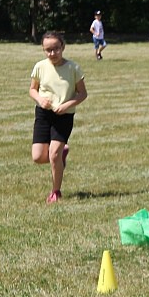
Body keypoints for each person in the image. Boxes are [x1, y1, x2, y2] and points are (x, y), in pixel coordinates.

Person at [29, 31, 87, 204]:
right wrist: (40, 99)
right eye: (48, 50)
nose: (52, 53)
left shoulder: (73, 68)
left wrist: (67, 105)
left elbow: (82, 93)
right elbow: (32, 89)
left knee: (54, 155)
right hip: (43, 114)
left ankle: (56, 191)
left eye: (55, 49)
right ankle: (62, 154)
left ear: (63, 47)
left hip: (64, 115)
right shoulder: (40, 67)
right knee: (38, 157)